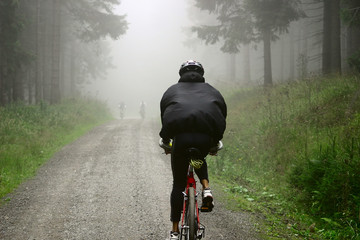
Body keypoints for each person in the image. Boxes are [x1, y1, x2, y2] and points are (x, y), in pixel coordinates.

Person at [159, 60, 227, 240]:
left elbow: (165, 115)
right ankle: (206, 188)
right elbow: (221, 115)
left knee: (178, 184)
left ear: (181, 74)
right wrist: (215, 141)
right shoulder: (212, 91)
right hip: (204, 138)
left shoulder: (172, 90)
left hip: (180, 139)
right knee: (196, 156)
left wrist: (166, 140)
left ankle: (174, 232)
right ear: (201, 74)